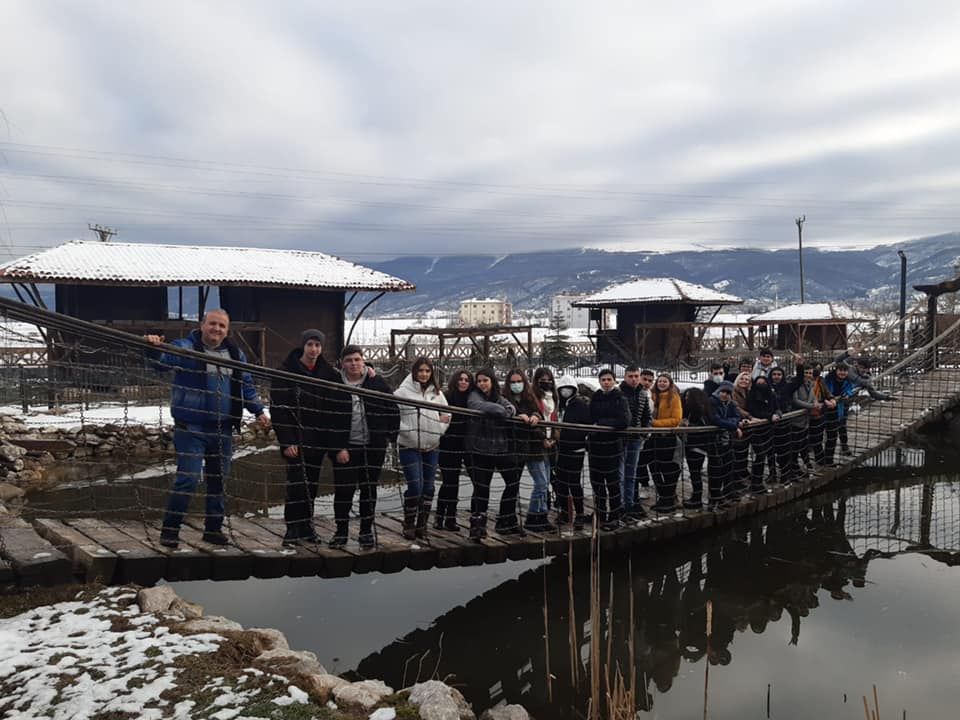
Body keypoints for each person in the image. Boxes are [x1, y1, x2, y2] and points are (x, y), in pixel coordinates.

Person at [144, 309, 270, 549]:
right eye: (212, 324)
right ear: (202, 325)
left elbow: (246, 385)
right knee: (188, 479)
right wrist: (153, 347)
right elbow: (162, 362)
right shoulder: (186, 347)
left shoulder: (235, 354)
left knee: (218, 481)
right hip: (191, 428)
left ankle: (213, 529)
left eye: (222, 326)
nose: (217, 329)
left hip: (223, 428)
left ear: (227, 330)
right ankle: (170, 530)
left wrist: (259, 411)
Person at [271, 329, 344, 546]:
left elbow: (337, 402)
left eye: (318, 345)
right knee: (295, 484)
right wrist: (287, 440)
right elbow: (278, 409)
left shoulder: (328, 373)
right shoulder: (286, 371)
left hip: (318, 438)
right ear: (303, 345)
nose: (314, 349)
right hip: (295, 436)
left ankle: (307, 526)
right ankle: (292, 528)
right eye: (310, 344)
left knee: (311, 483)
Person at [329, 345, 399, 550]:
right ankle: (341, 532)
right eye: (349, 360)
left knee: (368, 490)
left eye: (357, 359)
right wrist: (337, 448)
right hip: (345, 448)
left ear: (363, 361)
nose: (354, 364)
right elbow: (327, 419)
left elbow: (392, 408)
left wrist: (388, 436)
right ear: (342, 363)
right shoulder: (334, 384)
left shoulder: (375, 382)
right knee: (344, 492)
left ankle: (366, 531)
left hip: (372, 447)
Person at [465, 368, 527, 540]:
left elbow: (511, 408)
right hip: (480, 449)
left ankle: (506, 518)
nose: (482, 384)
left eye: (485, 380)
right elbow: (479, 406)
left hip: (500, 448)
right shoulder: (474, 396)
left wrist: (505, 410)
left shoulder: (498, 397)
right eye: (479, 381)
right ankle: (477, 526)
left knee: (512, 481)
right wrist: (501, 411)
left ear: (491, 381)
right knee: (481, 488)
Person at [395, 357, 450, 540]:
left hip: (432, 446)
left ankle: (422, 524)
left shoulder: (437, 393)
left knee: (429, 487)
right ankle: (409, 523)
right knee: (415, 487)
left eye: (427, 371)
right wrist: (407, 432)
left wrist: (439, 429)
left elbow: (447, 414)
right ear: (414, 372)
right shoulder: (402, 393)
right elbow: (393, 417)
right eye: (421, 370)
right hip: (409, 446)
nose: (424, 374)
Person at [502, 369, 551, 531]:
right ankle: (531, 516)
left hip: (534, 444)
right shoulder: (505, 399)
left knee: (543, 483)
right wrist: (518, 416)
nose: (516, 385)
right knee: (528, 483)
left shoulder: (529, 398)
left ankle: (540, 515)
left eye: (519, 381)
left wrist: (536, 415)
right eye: (513, 382)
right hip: (519, 447)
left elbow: (539, 413)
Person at [588, 369, 630, 530]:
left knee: (612, 483)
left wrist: (602, 424)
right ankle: (600, 512)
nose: (606, 382)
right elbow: (590, 417)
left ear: (614, 381)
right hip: (596, 446)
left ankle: (614, 515)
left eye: (609, 379)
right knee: (597, 483)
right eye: (603, 379)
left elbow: (624, 420)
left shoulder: (620, 398)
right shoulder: (596, 397)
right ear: (599, 381)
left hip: (612, 446)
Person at [435, 370, 473, 532]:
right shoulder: (446, 396)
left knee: (468, 481)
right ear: (455, 381)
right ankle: (441, 517)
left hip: (467, 445)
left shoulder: (472, 398)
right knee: (450, 481)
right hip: (448, 444)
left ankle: (451, 518)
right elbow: (435, 412)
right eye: (460, 379)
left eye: (467, 380)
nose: (463, 382)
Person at [554, 378, 591, 530]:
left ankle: (580, 514)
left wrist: (575, 437)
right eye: (563, 388)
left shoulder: (580, 405)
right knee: (560, 482)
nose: (565, 391)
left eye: (568, 388)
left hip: (576, 449)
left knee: (574, 482)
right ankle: (565, 512)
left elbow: (586, 425)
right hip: (561, 449)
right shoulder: (560, 405)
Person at [620, 365, 652, 521]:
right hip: (620, 439)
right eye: (630, 376)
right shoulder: (619, 393)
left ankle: (630, 503)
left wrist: (644, 432)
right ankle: (620, 504)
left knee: (631, 474)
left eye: (636, 376)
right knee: (620, 473)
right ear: (625, 377)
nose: (633, 379)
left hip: (635, 439)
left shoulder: (642, 394)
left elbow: (647, 415)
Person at [531, 367, 560, 531]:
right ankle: (533, 516)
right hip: (537, 444)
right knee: (541, 483)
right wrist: (542, 438)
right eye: (542, 378)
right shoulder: (533, 397)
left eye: (549, 379)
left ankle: (542, 514)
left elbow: (554, 419)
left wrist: (554, 438)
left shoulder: (553, 398)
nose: (546, 381)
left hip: (551, 444)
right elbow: (532, 419)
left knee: (547, 480)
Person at [708, 381, 745, 507]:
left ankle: (728, 491)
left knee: (729, 466)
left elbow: (736, 417)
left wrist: (731, 423)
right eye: (723, 392)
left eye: (728, 393)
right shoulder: (712, 402)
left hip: (726, 440)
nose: (725, 395)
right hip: (715, 441)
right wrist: (734, 426)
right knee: (716, 469)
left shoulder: (731, 404)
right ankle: (715, 496)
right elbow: (715, 420)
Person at [650, 373, 683, 513]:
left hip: (668, 437)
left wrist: (654, 424)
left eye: (665, 381)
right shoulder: (652, 396)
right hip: (654, 438)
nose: (662, 383)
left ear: (670, 383)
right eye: (660, 381)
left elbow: (676, 419)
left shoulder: (673, 397)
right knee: (654, 466)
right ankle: (664, 496)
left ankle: (667, 498)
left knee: (668, 468)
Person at [745, 375, 780, 494]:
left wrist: (778, 414)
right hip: (755, 430)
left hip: (768, 429)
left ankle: (758, 481)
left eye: (763, 383)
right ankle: (756, 483)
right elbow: (753, 411)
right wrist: (769, 416)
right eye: (758, 383)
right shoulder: (752, 396)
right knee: (760, 454)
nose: (761, 386)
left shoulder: (771, 395)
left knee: (765, 454)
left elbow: (777, 407)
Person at [679, 387, 711, 510]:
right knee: (695, 472)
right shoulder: (698, 408)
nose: (686, 399)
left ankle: (697, 498)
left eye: (688, 397)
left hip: (696, 445)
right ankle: (696, 496)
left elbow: (701, 426)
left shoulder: (699, 410)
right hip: (695, 444)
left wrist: (688, 425)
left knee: (695, 472)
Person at [822, 363, 857, 464]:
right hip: (830, 406)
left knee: (842, 425)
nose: (842, 373)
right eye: (840, 370)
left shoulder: (848, 379)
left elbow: (850, 388)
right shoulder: (829, 378)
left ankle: (844, 446)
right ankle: (826, 456)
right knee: (829, 430)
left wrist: (847, 394)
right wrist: (831, 398)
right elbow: (825, 391)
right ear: (836, 371)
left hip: (841, 406)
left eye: (845, 371)